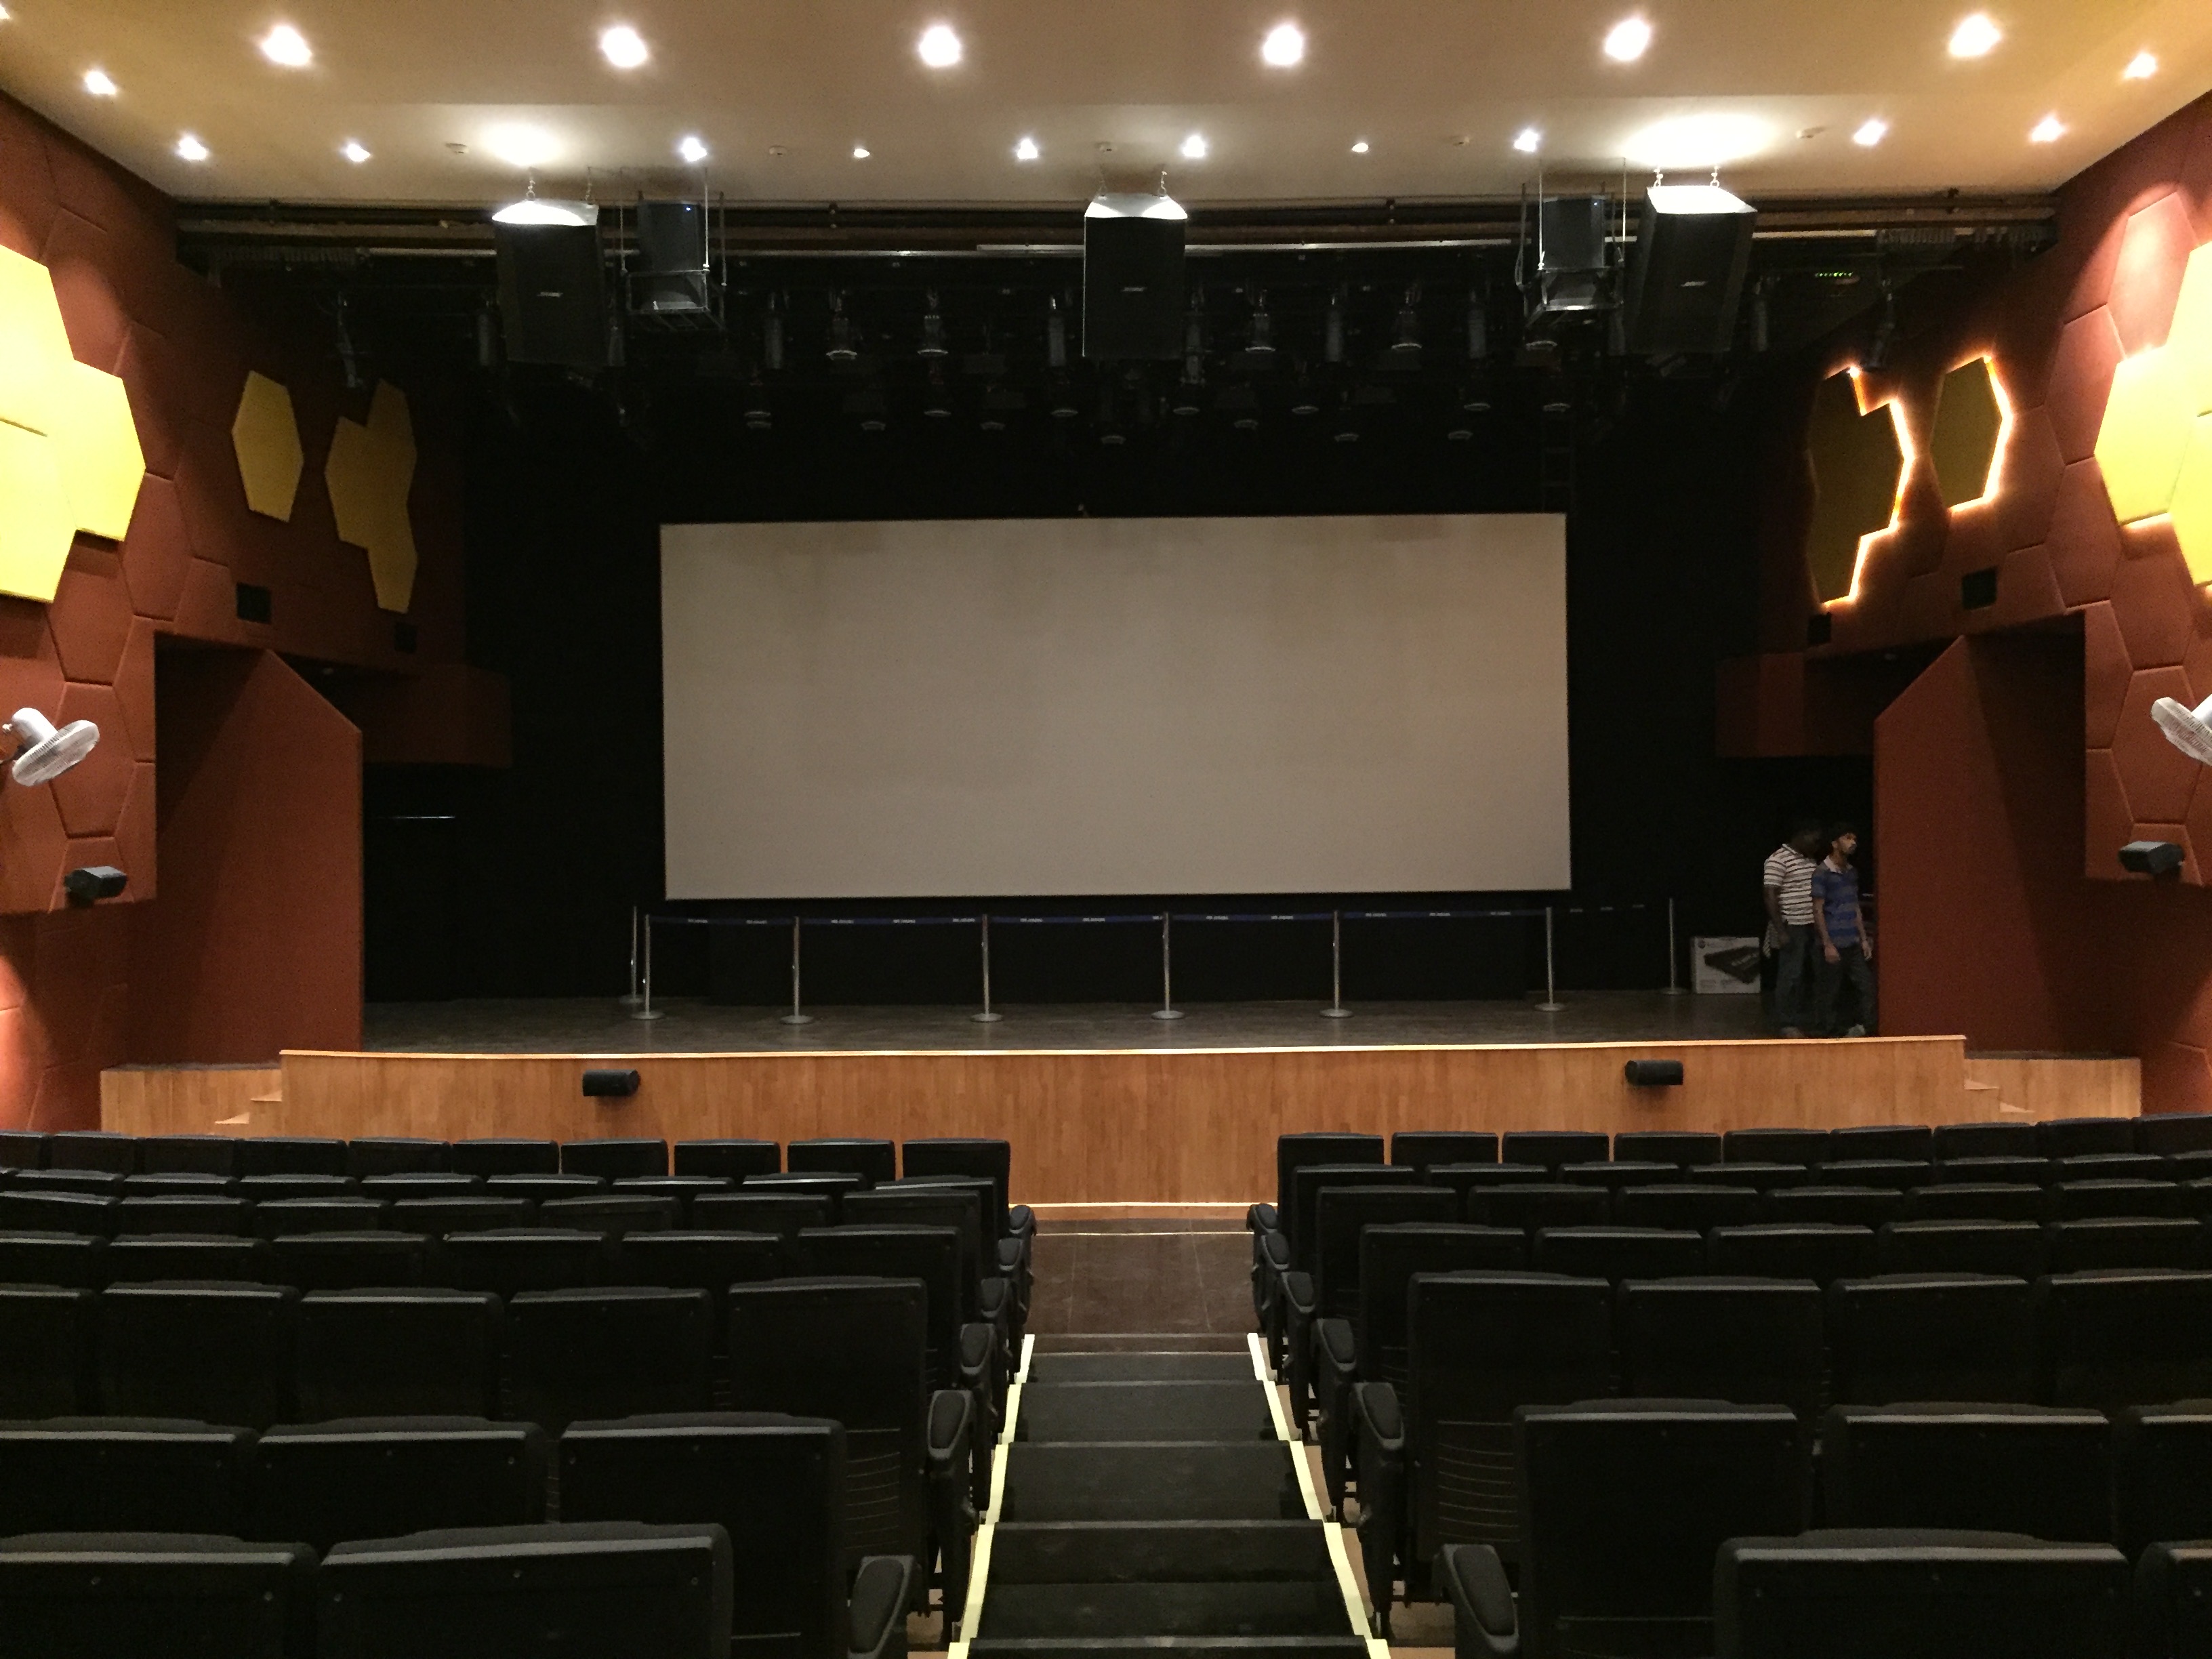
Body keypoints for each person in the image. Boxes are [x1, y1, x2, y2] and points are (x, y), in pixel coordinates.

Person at [1762, 819, 1824, 1037]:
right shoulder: (1778, 859)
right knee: (1791, 974)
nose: (1817, 845)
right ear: (1802, 835)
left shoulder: (1809, 859)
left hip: (1813, 924)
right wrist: (1780, 931)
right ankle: (1787, 1022)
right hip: (1792, 924)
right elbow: (1770, 895)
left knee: (1813, 973)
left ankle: (1810, 1019)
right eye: (1814, 840)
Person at [1813, 821, 1875, 1036]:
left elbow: (1854, 905)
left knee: (1866, 987)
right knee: (1830, 992)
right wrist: (1827, 944)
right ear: (1835, 843)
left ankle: (1864, 1028)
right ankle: (1827, 1034)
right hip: (1834, 942)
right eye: (1847, 838)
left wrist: (1863, 938)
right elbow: (1818, 910)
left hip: (1852, 941)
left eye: (1854, 838)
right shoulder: (1822, 872)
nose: (1853, 842)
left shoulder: (1851, 872)